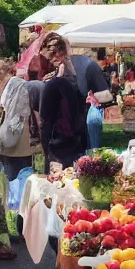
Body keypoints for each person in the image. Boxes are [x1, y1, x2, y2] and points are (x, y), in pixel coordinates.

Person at [37, 32, 87, 171]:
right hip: (75, 142)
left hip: (57, 145)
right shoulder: (76, 78)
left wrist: (46, 148)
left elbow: (45, 119)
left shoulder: (54, 83)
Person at [0, 60, 37, 179]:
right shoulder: (7, 85)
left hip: (18, 140)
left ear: (2, 73)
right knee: (10, 178)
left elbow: (20, 115)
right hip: (9, 140)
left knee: (19, 178)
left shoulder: (18, 85)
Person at [71, 54, 112, 150]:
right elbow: (106, 96)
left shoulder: (73, 68)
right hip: (89, 115)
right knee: (94, 148)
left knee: (90, 148)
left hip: (79, 119)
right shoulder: (92, 66)